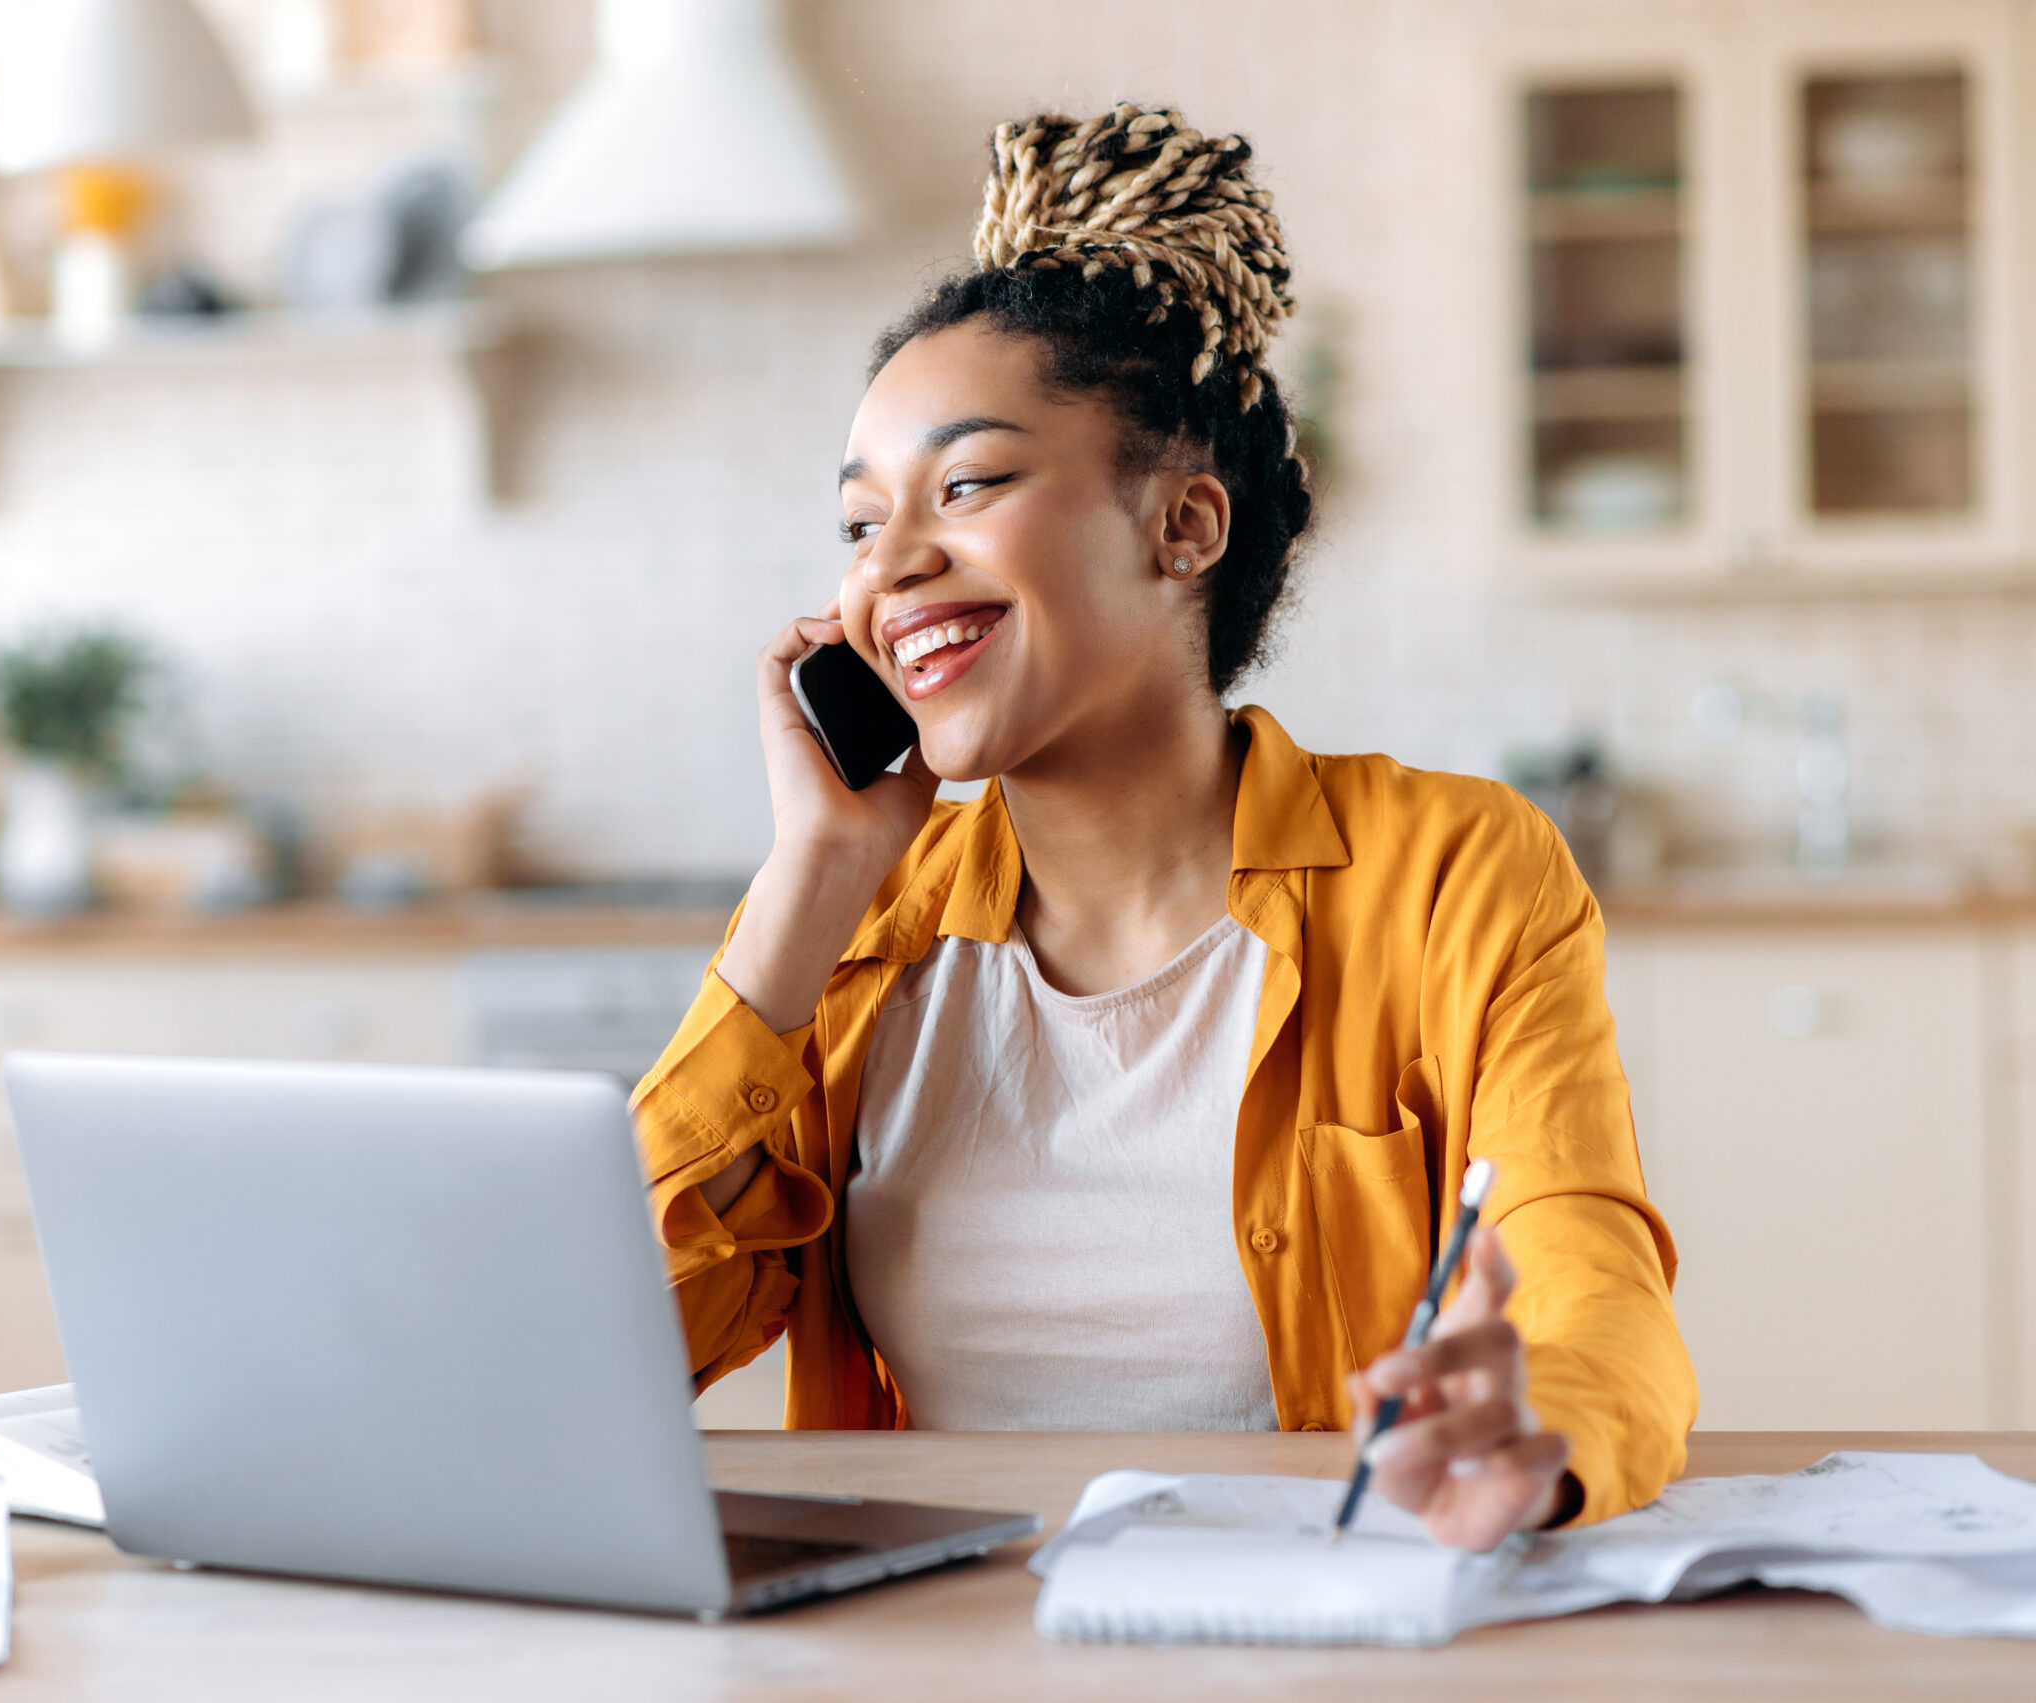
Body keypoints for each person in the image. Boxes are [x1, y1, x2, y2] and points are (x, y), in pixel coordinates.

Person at [631, 105, 1695, 1549]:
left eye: (969, 485)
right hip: (930, 1646)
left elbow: (1587, 1264)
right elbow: (621, 1349)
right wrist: (808, 880)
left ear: (1184, 528)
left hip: (1314, 1624)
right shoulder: (863, 928)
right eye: (859, 525)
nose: (892, 568)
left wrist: (1535, 1426)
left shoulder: (1457, 873)